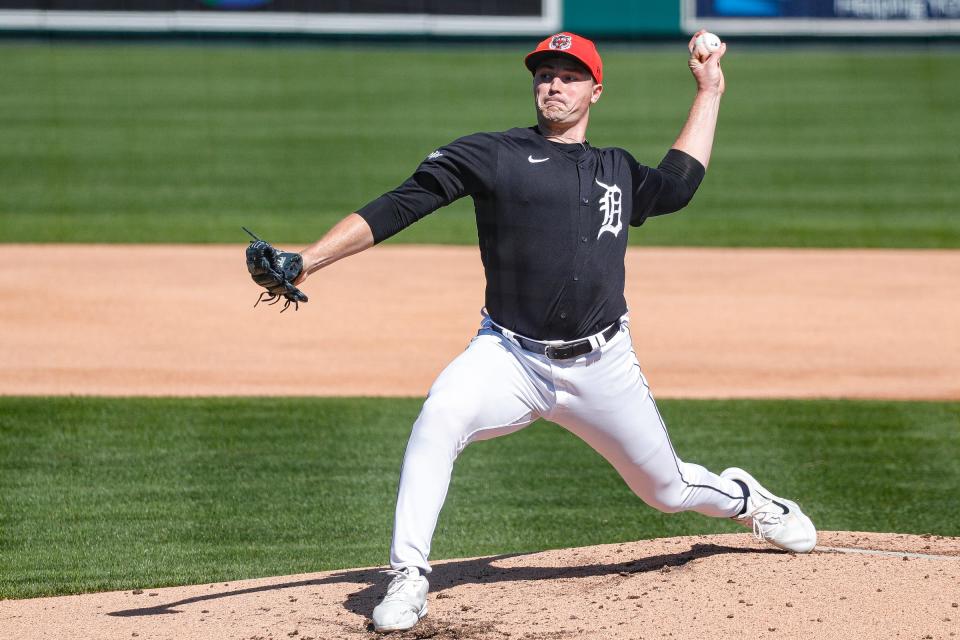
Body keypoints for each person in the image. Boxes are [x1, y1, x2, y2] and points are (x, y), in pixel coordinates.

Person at [292, 31, 817, 633]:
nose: (553, 84)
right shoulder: (491, 154)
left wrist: (710, 88)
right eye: (544, 74)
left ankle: (752, 502)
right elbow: (400, 205)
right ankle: (409, 575)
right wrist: (307, 260)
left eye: (569, 75)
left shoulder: (615, 168)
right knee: (439, 417)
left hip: (602, 364)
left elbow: (678, 184)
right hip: (509, 355)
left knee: (666, 491)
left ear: (596, 90)